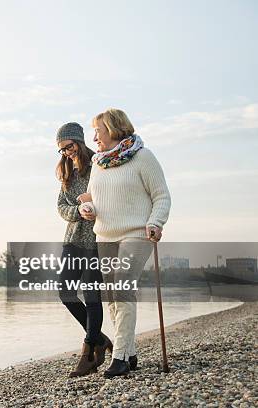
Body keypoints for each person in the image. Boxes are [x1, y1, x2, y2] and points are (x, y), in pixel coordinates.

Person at [78, 109, 171, 378]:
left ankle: (118, 358)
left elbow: (161, 196)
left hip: (136, 233)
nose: (93, 137)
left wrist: (156, 222)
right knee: (113, 297)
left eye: (98, 130)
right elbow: (96, 200)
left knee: (122, 289)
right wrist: (88, 208)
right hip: (105, 235)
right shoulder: (99, 163)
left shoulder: (143, 156)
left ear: (113, 129)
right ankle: (129, 353)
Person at [55, 122, 113, 377]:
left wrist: (93, 205)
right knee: (65, 292)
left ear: (79, 141)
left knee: (91, 295)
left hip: (97, 240)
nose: (67, 152)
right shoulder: (67, 172)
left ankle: (89, 351)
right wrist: (77, 211)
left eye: (69, 146)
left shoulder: (99, 166)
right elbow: (60, 206)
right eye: (62, 150)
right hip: (73, 240)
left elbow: (111, 197)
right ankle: (99, 338)